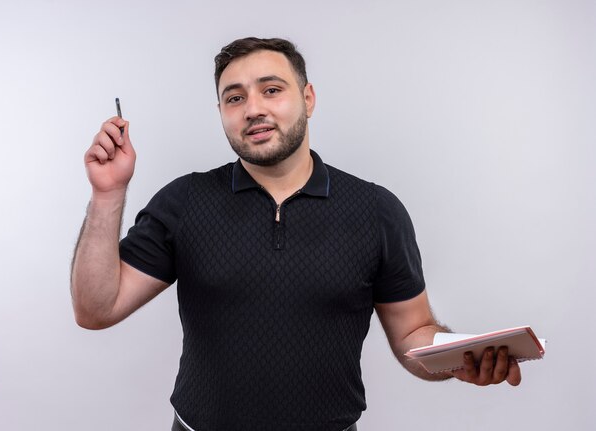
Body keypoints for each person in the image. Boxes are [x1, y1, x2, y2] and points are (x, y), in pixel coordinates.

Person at [71, 37, 521, 431]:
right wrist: (107, 194)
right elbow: (96, 309)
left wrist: (460, 358)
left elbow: (413, 334)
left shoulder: (376, 210)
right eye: (234, 98)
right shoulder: (185, 202)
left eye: (271, 90)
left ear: (308, 98)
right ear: (221, 113)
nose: (254, 109)